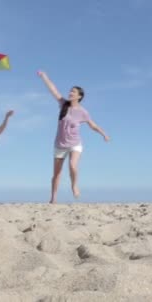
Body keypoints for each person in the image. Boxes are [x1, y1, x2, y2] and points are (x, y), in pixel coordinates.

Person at [37, 70, 110, 203]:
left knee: (72, 165)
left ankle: (74, 185)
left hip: (75, 144)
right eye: (70, 91)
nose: (70, 93)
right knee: (56, 174)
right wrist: (44, 77)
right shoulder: (63, 104)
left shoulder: (83, 112)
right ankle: (53, 198)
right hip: (60, 144)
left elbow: (92, 125)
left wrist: (103, 134)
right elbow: (53, 90)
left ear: (79, 96)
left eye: (73, 92)